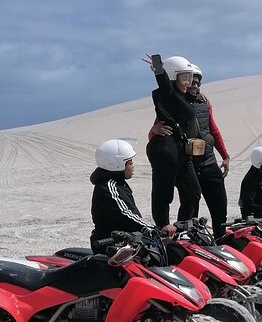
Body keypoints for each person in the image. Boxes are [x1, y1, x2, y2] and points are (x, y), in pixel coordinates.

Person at [150, 63, 231, 238]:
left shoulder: (204, 104)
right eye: (189, 81)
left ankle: (221, 241)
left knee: (216, 206)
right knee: (188, 200)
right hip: (187, 160)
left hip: (208, 161)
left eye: (197, 83)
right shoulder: (176, 101)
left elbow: (214, 131)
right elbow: (160, 125)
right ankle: (183, 237)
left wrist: (225, 155)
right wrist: (154, 131)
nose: (193, 86)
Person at [144, 54, 201, 228]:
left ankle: (183, 227)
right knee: (163, 191)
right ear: (172, 77)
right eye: (185, 78)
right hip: (165, 150)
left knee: (193, 193)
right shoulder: (166, 94)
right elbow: (166, 88)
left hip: (180, 150)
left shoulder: (182, 97)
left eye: (189, 77)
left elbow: (194, 100)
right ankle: (163, 227)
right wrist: (160, 72)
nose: (189, 82)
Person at [90, 139, 175, 254]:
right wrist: (154, 229)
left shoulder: (117, 183)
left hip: (127, 240)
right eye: (130, 163)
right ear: (118, 165)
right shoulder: (109, 186)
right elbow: (126, 214)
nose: (133, 166)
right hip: (110, 243)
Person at [239, 146, 262, 219]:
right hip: (256, 218)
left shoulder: (260, 175)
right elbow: (248, 205)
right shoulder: (251, 181)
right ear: (259, 165)